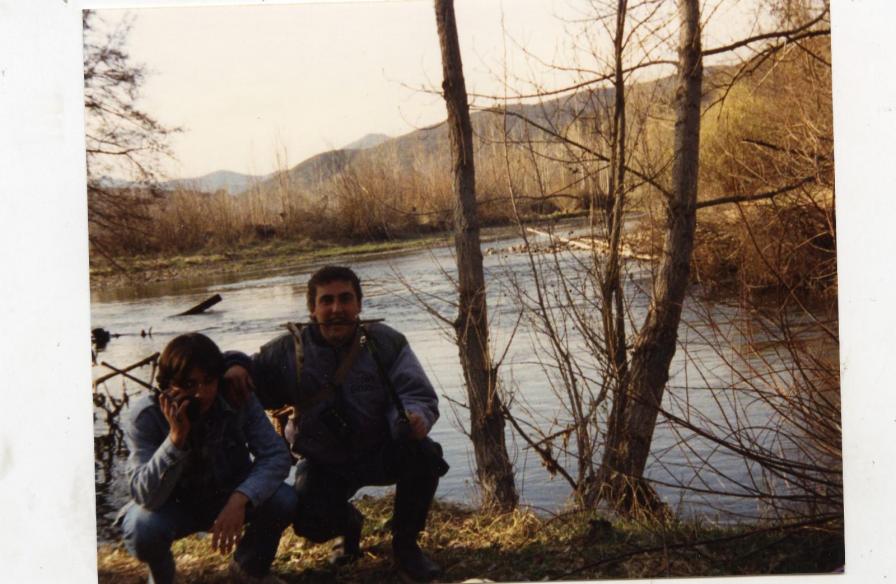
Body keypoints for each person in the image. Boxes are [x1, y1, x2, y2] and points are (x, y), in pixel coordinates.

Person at [224, 265, 446, 582]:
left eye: (345, 299)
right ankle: (349, 525)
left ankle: (406, 548)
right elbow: (243, 371)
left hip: (381, 450)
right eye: (326, 301)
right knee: (309, 521)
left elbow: (416, 393)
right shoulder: (288, 351)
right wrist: (233, 365)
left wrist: (413, 417)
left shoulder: (385, 342)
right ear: (312, 309)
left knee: (424, 454)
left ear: (359, 304)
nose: (336, 309)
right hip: (324, 462)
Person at [117, 333, 296, 584]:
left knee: (284, 499)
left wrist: (241, 498)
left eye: (208, 382)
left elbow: (276, 455)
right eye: (189, 384)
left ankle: (250, 567)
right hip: (174, 507)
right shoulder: (146, 416)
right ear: (167, 386)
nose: (202, 394)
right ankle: (162, 577)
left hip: (228, 497)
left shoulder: (237, 397)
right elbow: (144, 496)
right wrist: (175, 440)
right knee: (142, 528)